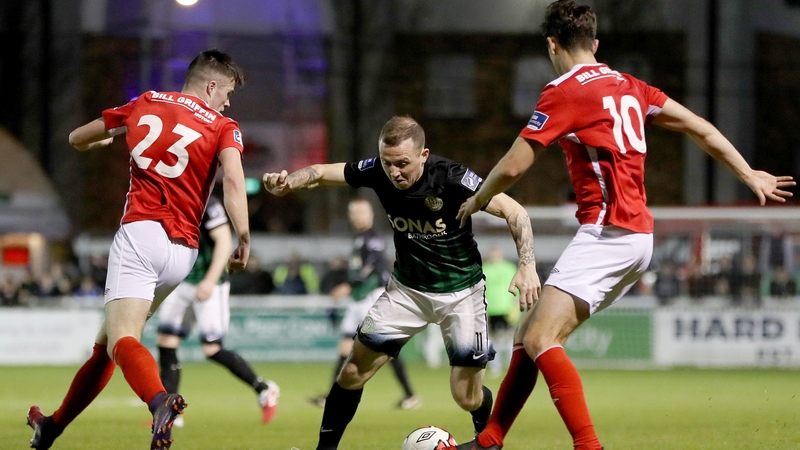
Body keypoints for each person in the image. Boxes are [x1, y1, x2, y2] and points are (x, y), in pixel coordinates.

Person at [453, 2, 795, 449]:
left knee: (539, 336)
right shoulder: (632, 87)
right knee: (527, 335)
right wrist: (749, 173)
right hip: (638, 236)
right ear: (595, 44)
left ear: (552, 44)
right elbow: (699, 126)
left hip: (607, 231)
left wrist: (479, 198)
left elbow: (516, 165)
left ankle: (587, 446)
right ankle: (490, 439)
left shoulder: (563, 91)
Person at [263, 115, 541, 450]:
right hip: (406, 292)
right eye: (388, 163)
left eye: (403, 164)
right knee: (352, 371)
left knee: (465, 396)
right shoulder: (378, 172)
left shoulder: (451, 177)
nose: (395, 172)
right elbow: (321, 173)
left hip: (462, 294)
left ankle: (489, 441)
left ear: (424, 155)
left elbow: (515, 212)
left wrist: (527, 265)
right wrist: (288, 181)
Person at [26, 49, 250, 450]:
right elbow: (233, 180)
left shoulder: (144, 102)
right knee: (107, 346)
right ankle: (52, 427)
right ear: (211, 85)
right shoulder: (223, 125)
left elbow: (77, 137)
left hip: (142, 234)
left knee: (122, 339)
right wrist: (244, 237)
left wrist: (101, 142)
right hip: (183, 254)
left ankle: (160, 400)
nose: (228, 102)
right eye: (228, 91)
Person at [156, 194, 279, 426]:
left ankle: (264, 389)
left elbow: (223, 241)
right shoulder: (167, 198)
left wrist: (210, 280)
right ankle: (170, 413)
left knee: (212, 348)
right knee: (166, 341)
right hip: (183, 281)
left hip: (209, 283)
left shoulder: (206, 203)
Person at [309, 198, 420, 410]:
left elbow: (374, 266)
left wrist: (349, 286)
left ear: (371, 215)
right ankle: (333, 395)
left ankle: (410, 395)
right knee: (345, 346)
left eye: (360, 212)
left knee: (386, 347)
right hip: (359, 298)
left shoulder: (372, 239)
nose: (356, 216)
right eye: (353, 212)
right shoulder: (359, 238)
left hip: (371, 297)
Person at [482, 247, 519, 377]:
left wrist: (515, 305)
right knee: (492, 339)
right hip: (490, 309)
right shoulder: (484, 269)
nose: (494, 256)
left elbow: (516, 287)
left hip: (506, 309)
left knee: (510, 338)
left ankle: (511, 366)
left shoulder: (509, 268)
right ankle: (495, 367)